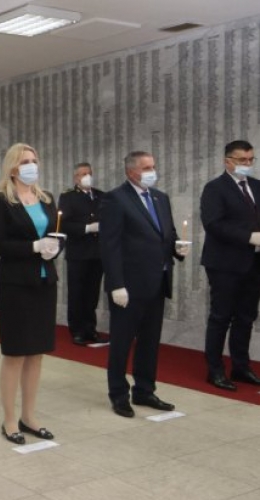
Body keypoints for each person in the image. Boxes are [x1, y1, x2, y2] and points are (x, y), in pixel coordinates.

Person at [100, 151, 189, 418]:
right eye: (146, 167)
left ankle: (145, 390)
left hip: (157, 281)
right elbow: (110, 245)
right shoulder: (116, 199)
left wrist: (177, 248)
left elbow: (167, 233)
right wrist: (116, 284)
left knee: (150, 341)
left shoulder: (160, 197)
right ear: (131, 172)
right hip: (128, 285)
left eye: (153, 166)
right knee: (122, 341)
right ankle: (118, 394)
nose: (152, 171)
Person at [0, 143, 61, 444]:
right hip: (15, 285)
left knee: (36, 353)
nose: (32, 166)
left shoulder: (46, 198)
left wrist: (54, 248)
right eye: (25, 161)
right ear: (13, 167)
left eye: (34, 160)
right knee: (16, 353)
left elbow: (57, 233)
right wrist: (33, 246)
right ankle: (9, 420)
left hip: (44, 282)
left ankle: (29, 416)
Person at [200, 140, 260, 390]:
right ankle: (215, 370)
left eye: (251, 159)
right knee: (221, 316)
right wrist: (249, 237)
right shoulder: (215, 188)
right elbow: (213, 224)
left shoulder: (256, 186)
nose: (247, 164)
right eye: (242, 160)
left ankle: (240, 367)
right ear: (228, 161)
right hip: (224, 263)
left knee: (246, 316)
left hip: (253, 262)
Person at [58, 162, 104, 345]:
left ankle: (90, 329)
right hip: (78, 252)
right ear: (76, 177)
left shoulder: (101, 195)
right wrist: (86, 228)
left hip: (97, 253)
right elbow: (63, 224)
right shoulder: (68, 196)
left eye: (89, 173)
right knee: (77, 293)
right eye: (83, 174)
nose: (87, 176)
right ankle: (77, 330)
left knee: (92, 294)